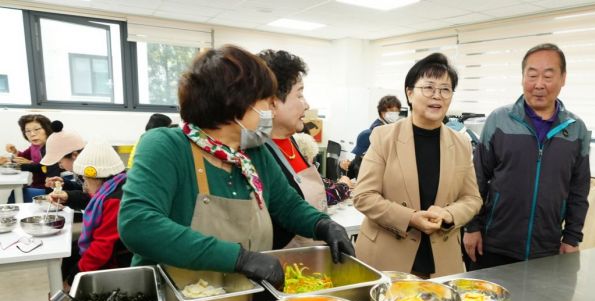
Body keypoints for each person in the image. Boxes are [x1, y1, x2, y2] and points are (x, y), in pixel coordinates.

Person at [118, 45, 353, 288]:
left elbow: (288, 205)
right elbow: (138, 223)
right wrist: (239, 258)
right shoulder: (165, 145)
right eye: (267, 101)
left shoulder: (254, 153)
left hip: (239, 296)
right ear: (236, 103)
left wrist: (323, 225)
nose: (272, 110)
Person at [353, 53, 482, 278]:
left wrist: (448, 215)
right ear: (410, 93)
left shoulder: (461, 142)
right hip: (386, 259)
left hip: (441, 263)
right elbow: (364, 196)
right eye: (429, 87)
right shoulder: (384, 137)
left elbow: (472, 199)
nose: (437, 96)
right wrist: (410, 218)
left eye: (445, 89)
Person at [463, 43, 591, 268]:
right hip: (493, 243)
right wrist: (471, 227)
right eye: (532, 75)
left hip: (547, 248)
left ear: (563, 78)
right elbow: (476, 179)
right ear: (522, 78)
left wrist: (572, 238)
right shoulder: (499, 121)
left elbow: (578, 189)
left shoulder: (576, 129)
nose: (539, 84)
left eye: (548, 76)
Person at [258, 49, 329, 248]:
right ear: (272, 103)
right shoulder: (257, 153)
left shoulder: (297, 143)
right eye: (300, 95)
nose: (307, 105)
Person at [62, 139, 132, 288]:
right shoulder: (117, 183)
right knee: (70, 251)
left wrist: (72, 280)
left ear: (94, 175)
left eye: (85, 179)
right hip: (114, 252)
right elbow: (94, 200)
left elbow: (102, 247)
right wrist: (67, 197)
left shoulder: (115, 201)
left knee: (72, 259)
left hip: (120, 260)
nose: (85, 185)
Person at [341, 95, 402, 179]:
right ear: (382, 112)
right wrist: (344, 166)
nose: (395, 114)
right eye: (391, 111)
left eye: (397, 111)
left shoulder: (389, 128)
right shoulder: (378, 130)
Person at [2, 114, 54, 202]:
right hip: (36, 185)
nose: (32, 134)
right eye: (27, 131)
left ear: (47, 129)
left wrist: (30, 163)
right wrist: (15, 152)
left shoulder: (52, 146)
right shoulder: (34, 146)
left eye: (37, 129)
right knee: (16, 192)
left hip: (48, 189)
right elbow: (23, 157)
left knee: (16, 195)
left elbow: (48, 168)